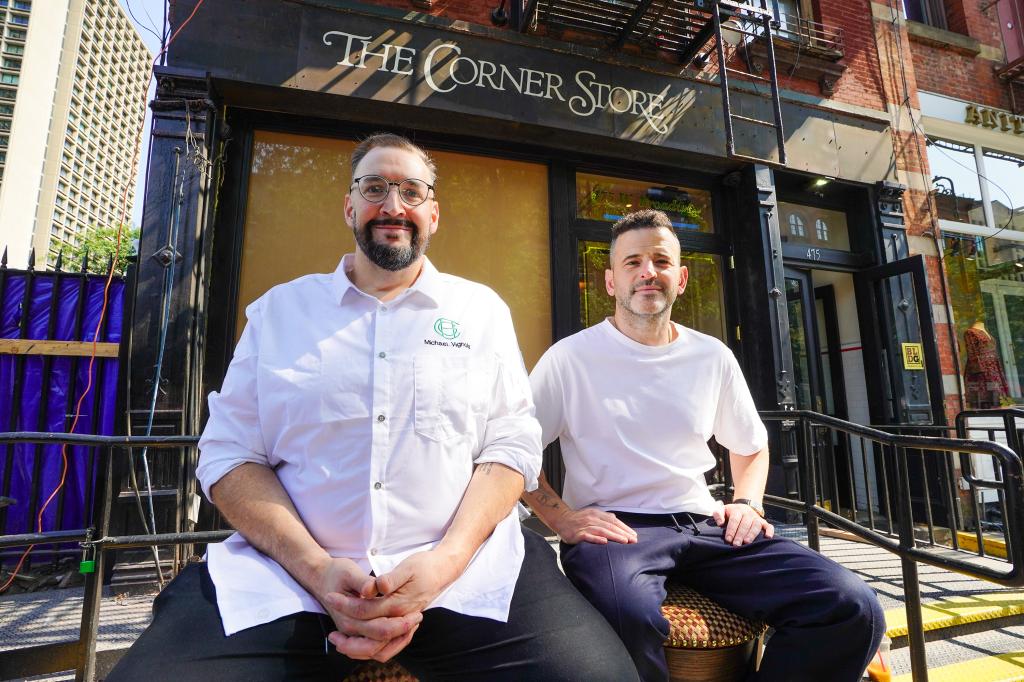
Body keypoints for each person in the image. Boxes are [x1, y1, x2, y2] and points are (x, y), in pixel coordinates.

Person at [109, 134, 638, 681]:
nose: (393, 206)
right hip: (289, 582)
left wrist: (445, 561)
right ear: (349, 206)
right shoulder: (279, 312)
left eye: (412, 191)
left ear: (433, 214)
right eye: (375, 188)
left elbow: (511, 444)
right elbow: (229, 454)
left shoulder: (481, 312)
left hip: (467, 574)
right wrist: (316, 569)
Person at [524, 209, 885, 682]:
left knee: (852, 604)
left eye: (661, 260)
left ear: (682, 277)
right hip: (615, 531)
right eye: (632, 263)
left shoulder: (711, 355)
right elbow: (514, 451)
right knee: (628, 619)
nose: (647, 272)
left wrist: (748, 504)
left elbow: (751, 445)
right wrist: (562, 518)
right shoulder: (569, 358)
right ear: (610, 282)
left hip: (704, 523)